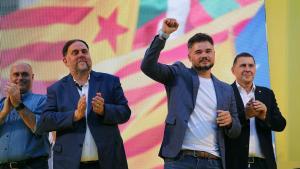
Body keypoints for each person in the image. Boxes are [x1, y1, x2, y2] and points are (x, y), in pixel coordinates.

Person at [141, 18, 241, 169]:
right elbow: (147, 66)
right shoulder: (178, 73)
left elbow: (236, 130)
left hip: (214, 162)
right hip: (180, 160)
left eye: (208, 51)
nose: (204, 55)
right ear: (189, 57)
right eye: (198, 52)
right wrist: (163, 35)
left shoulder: (226, 89)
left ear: (214, 53)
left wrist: (231, 122)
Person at [37, 39, 131, 169]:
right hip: (69, 163)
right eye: (75, 52)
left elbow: (125, 112)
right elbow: (45, 121)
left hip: (108, 161)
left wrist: (104, 110)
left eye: (84, 51)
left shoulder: (110, 81)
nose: (81, 54)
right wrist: (74, 115)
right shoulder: (56, 89)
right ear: (65, 61)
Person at [225, 52, 286, 169]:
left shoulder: (267, 93)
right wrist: (245, 115)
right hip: (235, 163)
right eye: (243, 65)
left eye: (251, 65)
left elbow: (281, 125)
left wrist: (265, 115)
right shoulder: (226, 92)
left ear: (255, 69)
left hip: (264, 164)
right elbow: (222, 127)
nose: (247, 69)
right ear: (233, 70)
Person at [0, 63, 49, 169]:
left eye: (25, 74)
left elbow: (39, 128)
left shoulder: (43, 100)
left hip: (33, 166)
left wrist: (17, 104)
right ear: (10, 78)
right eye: (16, 74)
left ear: (32, 77)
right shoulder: (1, 104)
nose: (20, 78)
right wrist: (4, 113)